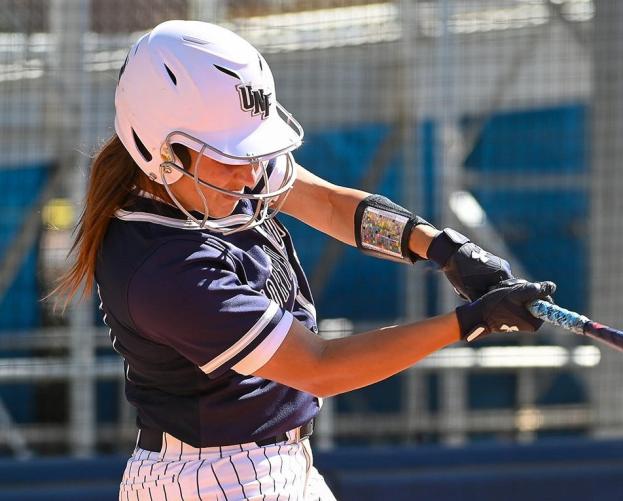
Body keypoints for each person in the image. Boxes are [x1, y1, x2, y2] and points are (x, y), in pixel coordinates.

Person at [54, 20, 555, 500]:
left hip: (280, 465)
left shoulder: (212, 176)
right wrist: (469, 322)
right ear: (162, 152)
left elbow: (333, 206)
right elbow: (320, 367)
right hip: (209, 480)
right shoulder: (163, 269)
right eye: (233, 157)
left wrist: (444, 250)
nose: (253, 175)